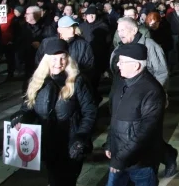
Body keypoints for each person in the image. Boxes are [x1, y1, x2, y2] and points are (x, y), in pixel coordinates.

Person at [11, 39, 97, 186]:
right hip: (47, 142)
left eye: (63, 58)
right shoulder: (38, 81)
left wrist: (81, 136)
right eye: (54, 59)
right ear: (46, 60)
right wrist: (22, 115)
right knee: (53, 178)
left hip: (71, 143)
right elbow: (28, 106)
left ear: (68, 59)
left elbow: (90, 111)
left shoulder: (78, 81)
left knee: (65, 181)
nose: (58, 63)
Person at [105, 43, 166, 186]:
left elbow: (145, 131)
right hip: (119, 155)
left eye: (122, 61)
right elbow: (115, 118)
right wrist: (110, 143)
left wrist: (121, 158)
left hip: (141, 162)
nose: (118, 65)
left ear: (136, 66)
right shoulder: (121, 81)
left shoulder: (152, 91)